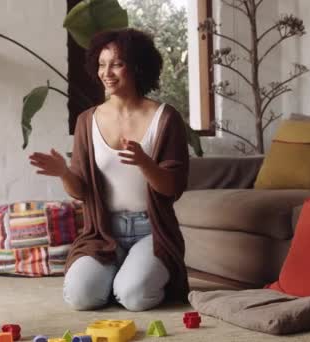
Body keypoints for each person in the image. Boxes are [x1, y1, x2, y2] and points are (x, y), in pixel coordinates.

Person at [29, 28, 190, 312]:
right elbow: (80, 191)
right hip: (103, 232)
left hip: (152, 230)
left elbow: (172, 187)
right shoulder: (86, 121)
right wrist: (64, 172)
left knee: (135, 297)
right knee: (81, 298)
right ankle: (119, 275)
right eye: (102, 64)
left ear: (138, 66)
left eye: (117, 64)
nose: (107, 72)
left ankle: (132, 278)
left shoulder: (165, 118)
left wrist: (145, 163)